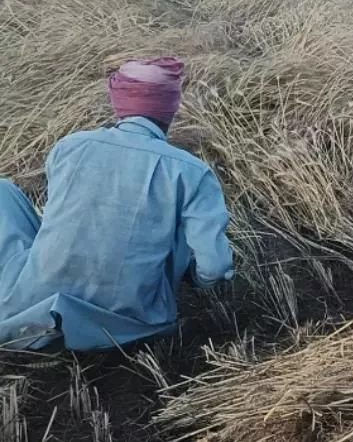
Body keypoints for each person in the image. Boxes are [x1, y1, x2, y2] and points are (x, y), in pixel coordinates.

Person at [0, 57, 234, 351]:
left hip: (33, 306)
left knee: (3, 191)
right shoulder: (193, 171)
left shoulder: (70, 147)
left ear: (119, 103)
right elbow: (215, 266)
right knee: (176, 228)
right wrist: (192, 277)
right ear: (171, 109)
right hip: (132, 323)